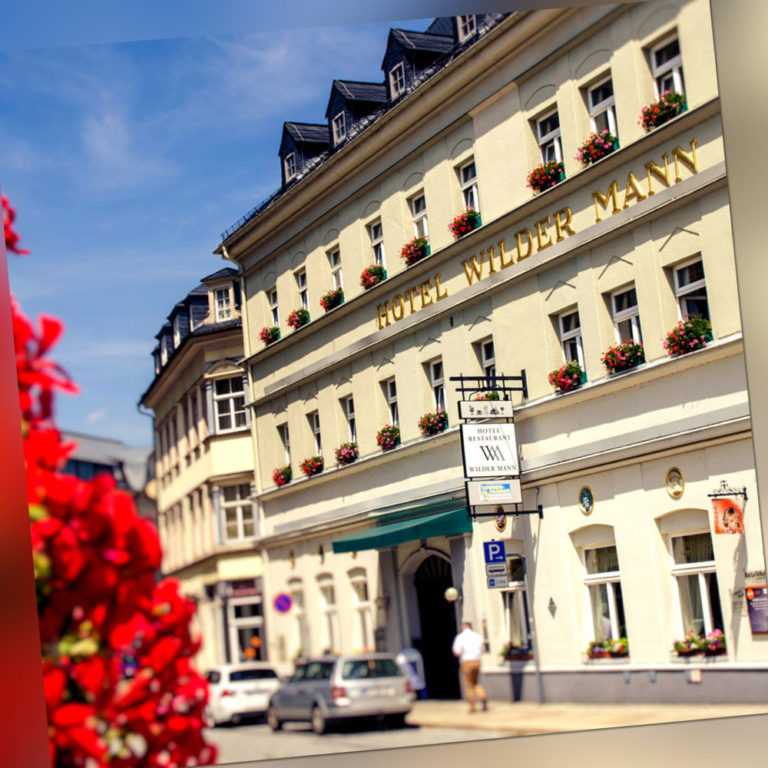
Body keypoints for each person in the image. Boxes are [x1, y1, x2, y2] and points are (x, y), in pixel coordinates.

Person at [452, 621, 488, 713]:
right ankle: (483, 697)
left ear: (463, 627)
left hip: (466, 661)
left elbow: (456, 652)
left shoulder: (460, 637)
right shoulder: (478, 636)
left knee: (468, 684)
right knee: (475, 682)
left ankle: (472, 706)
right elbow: (483, 649)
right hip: (477, 661)